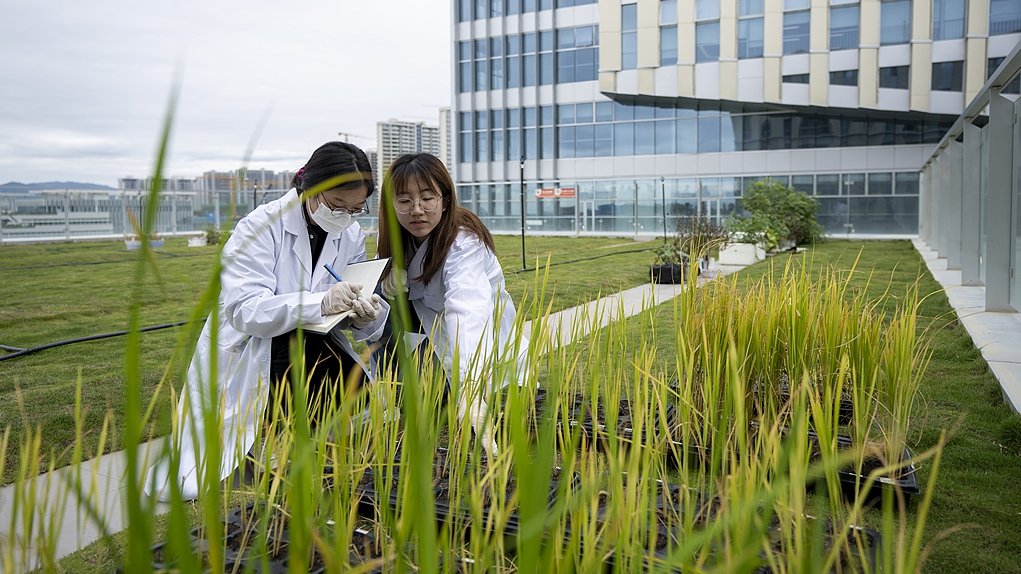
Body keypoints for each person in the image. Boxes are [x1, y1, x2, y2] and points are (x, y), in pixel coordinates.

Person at [146, 141, 388, 501]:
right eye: (337, 206)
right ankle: (270, 445)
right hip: (256, 344)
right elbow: (245, 309)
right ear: (310, 188)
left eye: (356, 209)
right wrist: (320, 302)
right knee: (274, 396)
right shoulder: (261, 227)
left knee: (355, 393)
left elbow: (347, 291)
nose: (345, 217)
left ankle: (301, 440)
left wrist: (365, 312)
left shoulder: (349, 231)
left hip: (316, 338)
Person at [375, 153, 530, 455]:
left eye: (427, 197)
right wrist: (385, 286)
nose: (416, 210)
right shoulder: (401, 241)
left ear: (445, 199)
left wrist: (470, 386)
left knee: (478, 413)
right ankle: (419, 397)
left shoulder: (464, 243)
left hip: (476, 349)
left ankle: (460, 395)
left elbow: (467, 309)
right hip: (432, 344)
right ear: (391, 206)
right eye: (404, 201)